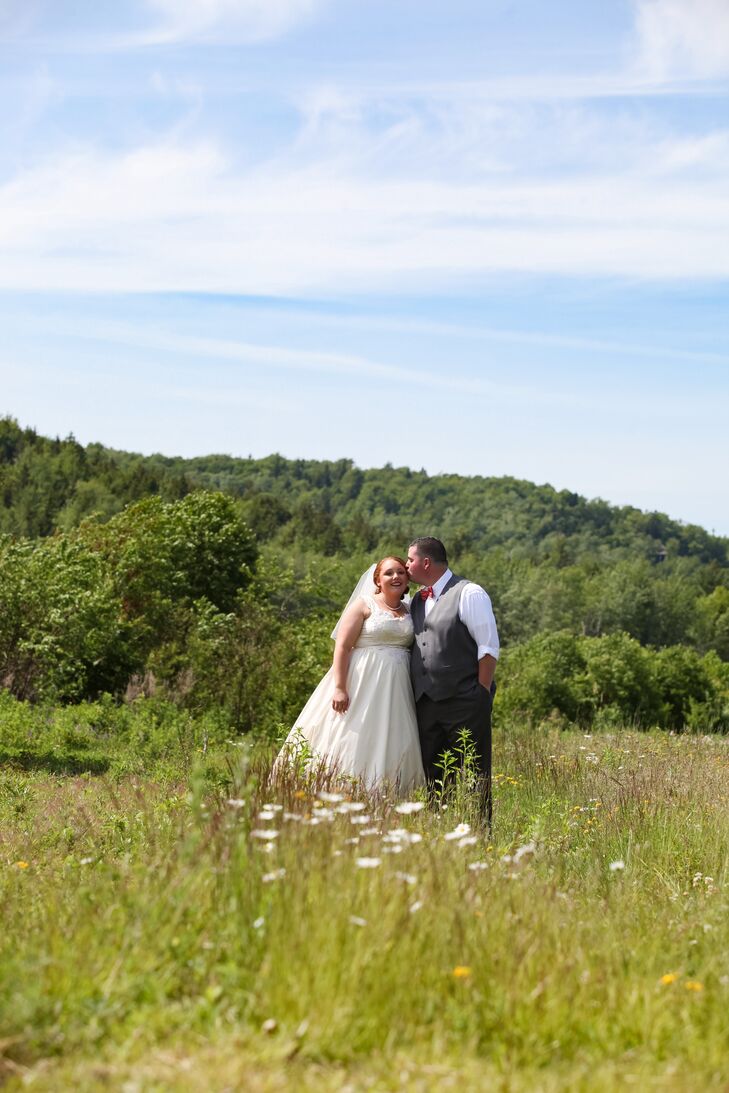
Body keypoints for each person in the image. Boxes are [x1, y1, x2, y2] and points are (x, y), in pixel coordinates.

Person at [275, 556, 425, 793]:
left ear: (407, 578)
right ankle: (343, 789)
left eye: (400, 572)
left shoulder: (410, 610)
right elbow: (343, 646)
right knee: (354, 732)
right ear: (378, 579)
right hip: (363, 679)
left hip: (398, 684)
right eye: (388, 573)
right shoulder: (364, 606)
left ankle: (392, 791)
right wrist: (339, 687)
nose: (395, 577)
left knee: (395, 734)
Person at [406, 537, 499, 824]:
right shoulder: (415, 601)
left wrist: (480, 695)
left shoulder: (469, 593)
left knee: (474, 772)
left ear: (425, 562)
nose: (406, 565)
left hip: (465, 702)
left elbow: (488, 648)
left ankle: (480, 833)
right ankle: (440, 832)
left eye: (409, 560)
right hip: (426, 704)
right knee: (434, 776)